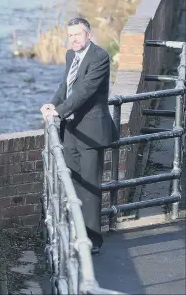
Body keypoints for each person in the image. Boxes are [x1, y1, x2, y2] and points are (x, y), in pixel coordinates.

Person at [40, 17, 118, 255]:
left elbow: (85, 90)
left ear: (89, 35)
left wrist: (60, 111)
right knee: (73, 182)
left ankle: (93, 241)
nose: (74, 39)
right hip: (72, 131)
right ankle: (77, 232)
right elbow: (66, 86)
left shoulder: (100, 57)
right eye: (70, 35)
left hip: (92, 132)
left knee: (90, 186)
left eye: (78, 34)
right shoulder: (70, 55)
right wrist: (51, 104)